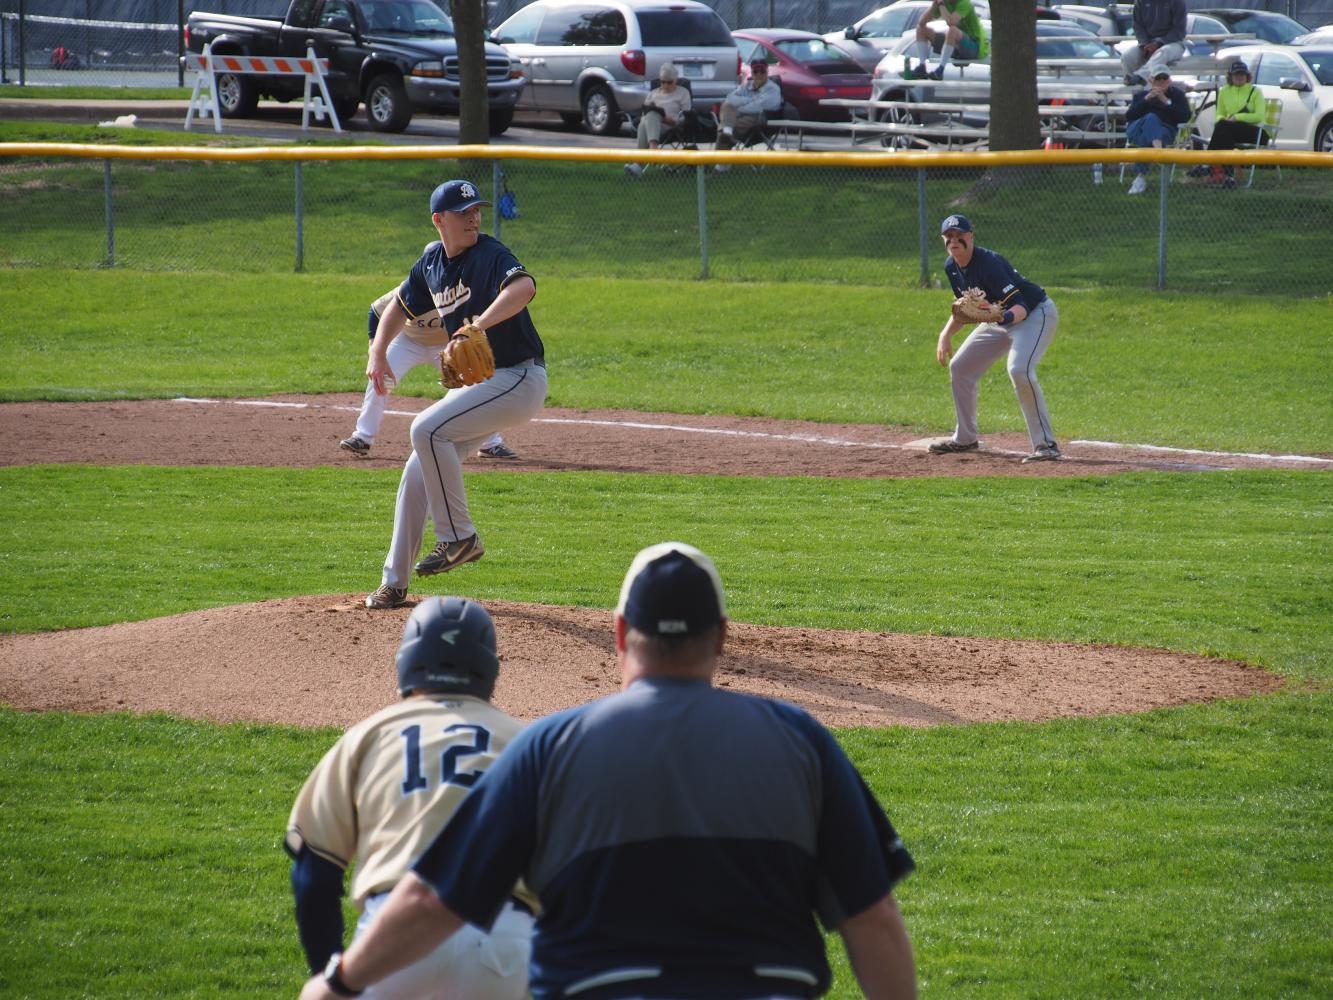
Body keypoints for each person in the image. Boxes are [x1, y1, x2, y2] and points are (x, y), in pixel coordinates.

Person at [300, 541, 918, 1000]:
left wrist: (340, 981)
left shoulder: (550, 747)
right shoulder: (801, 742)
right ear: (723, 637)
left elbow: (436, 900)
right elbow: (874, 919)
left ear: (621, 634)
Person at [287, 596, 535, 1000]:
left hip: (393, 933)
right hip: (501, 937)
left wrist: (329, 974)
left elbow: (313, 870)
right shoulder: (528, 741)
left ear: (409, 660)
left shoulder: (369, 735)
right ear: (489, 667)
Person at [362, 179, 547, 611]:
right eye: (464, 213)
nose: (474, 218)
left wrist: (478, 324)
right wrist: (377, 351)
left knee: (425, 429)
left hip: (520, 378)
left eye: (476, 211)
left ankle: (458, 537)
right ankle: (395, 582)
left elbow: (524, 288)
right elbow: (398, 306)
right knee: (416, 470)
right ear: (438, 220)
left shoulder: (490, 253)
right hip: (490, 386)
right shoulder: (431, 263)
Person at [340, 268, 517, 462]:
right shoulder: (408, 289)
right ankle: (362, 437)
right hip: (407, 342)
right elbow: (375, 311)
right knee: (381, 379)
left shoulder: (460, 291)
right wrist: (375, 350)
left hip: (445, 346)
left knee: (474, 386)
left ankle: (490, 444)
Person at [929, 214, 1061, 464]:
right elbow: (966, 307)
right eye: (949, 237)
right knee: (961, 367)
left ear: (971, 237)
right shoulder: (951, 266)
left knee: (1019, 369)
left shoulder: (990, 263)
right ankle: (965, 439)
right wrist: (945, 334)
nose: (954, 241)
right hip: (1000, 320)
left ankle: (1046, 445)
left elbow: (1020, 307)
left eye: (960, 236)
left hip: (1035, 315)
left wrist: (998, 317)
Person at [1190, 59, 1267, 189]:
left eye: (1242, 74)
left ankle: (1208, 163)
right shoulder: (1224, 91)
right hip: (1230, 131)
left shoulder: (1256, 92)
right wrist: (1223, 119)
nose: (1239, 77)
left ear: (1247, 76)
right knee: (1224, 132)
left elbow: (1259, 116)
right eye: (1236, 74)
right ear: (1230, 76)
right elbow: (1219, 113)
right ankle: (1228, 178)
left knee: (1223, 128)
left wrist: (1237, 117)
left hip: (1255, 132)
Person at [1124, 69, 1191, 196]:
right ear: (1151, 81)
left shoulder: (1177, 95)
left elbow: (1184, 117)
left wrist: (1166, 101)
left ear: (1170, 80)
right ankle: (1159, 153)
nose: (1161, 81)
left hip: (1165, 130)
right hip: (1137, 128)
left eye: (1164, 78)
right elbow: (1129, 116)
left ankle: (1140, 177)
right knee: (1151, 118)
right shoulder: (1141, 95)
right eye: (1157, 78)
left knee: (1148, 134)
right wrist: (1146, 99)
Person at [624, 63, 692, 178]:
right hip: (652, 125)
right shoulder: (653, 93)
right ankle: (652, 151)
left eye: (669, 82)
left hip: (671, 125)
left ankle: (640, 163)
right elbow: (644, 112)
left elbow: (686, 116)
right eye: (663, 82)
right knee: (649, 115)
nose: (665, 85)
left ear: (676, 80)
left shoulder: (683, 93)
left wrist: (668, 119)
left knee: (649, 118)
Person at [713, 57, 783, 165]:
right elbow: (730, 98)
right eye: (756, 71)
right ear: (752, 72)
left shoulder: (773, 89)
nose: (759, 74)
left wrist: (739, 106)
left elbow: (758, 107)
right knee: (726, 105)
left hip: (760, 119)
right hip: (740, 116)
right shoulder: (746, 86)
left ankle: (720, 166)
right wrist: (749, 100)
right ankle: (727, 134)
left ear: (767, 72)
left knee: (724, 130)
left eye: (762, 71)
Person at [906, 0, 989, 81]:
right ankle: (922, 67)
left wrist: (941, 4)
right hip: (954, 44)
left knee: (952, 30)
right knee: (921, 29)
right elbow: (921, 22)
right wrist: (934, 5)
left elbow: (951, 22)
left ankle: (940, 70)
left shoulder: (964, 3)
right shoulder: (944, 4)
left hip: (973, 47)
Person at [1120, 0, 1187, 87]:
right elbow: (1138, 26)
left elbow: (1179, 30)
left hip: (1173, 43)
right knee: (1127, 56)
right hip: (1147, 43)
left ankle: (1140, 77)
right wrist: (1145, 44)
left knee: (1162, 52)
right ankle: (1132, 87)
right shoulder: (1140, 2)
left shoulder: (1177, 2)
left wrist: (1159, 43)